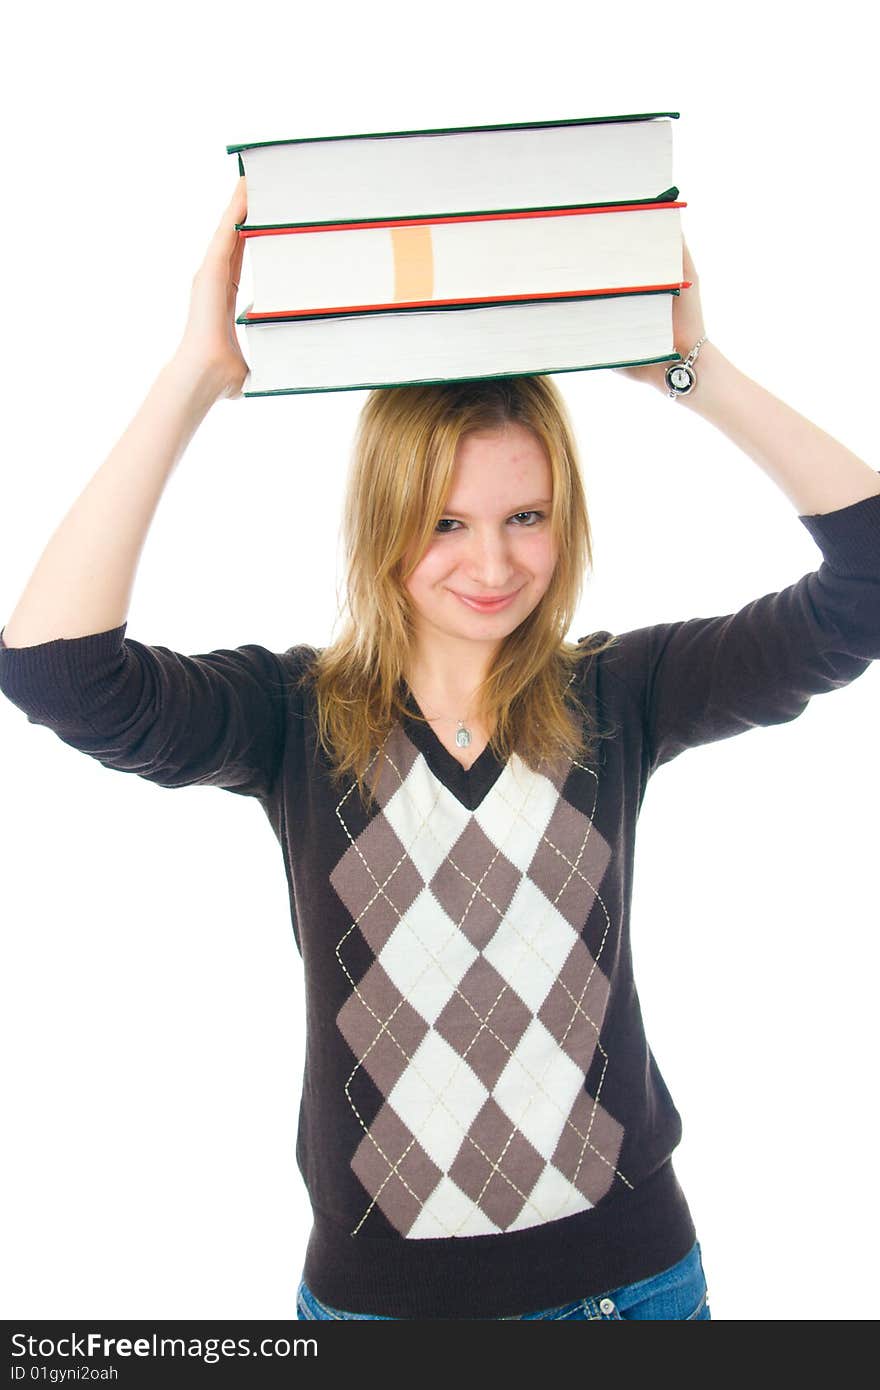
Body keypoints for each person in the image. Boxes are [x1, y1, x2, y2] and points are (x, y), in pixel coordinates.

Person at [1, 178, 878, 1322]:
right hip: (386, 1307)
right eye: (445, 522)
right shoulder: (292, 718)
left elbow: (863, 590)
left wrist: (691, 367)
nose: (494, 564)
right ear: (382, 524)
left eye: (526, 515)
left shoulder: (620, 695)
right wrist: (193, 379)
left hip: (635, 1286)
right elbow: (56, 671)